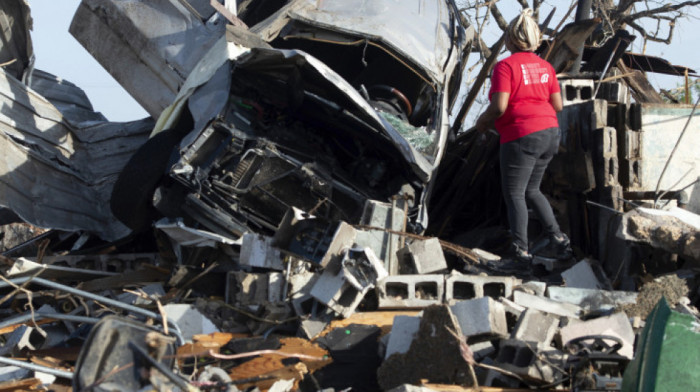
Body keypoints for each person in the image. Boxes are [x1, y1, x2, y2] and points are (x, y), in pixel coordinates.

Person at [475, 9, 572, 262]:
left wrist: (482, 121)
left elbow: (499, 107)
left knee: (515, 194)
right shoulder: (546, 68)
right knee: (532, 190)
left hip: (522, 134)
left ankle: (521, 254)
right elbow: (558, 105)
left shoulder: (505, 67)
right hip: (550, 133)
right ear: (536, 40)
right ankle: (559, 239)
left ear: (509, 40)